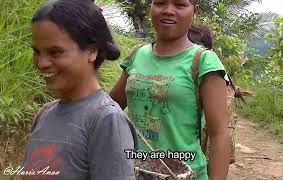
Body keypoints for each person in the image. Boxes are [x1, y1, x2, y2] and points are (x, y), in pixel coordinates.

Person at [110, 0, 230, 179]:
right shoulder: (137, 55)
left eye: (180, 5)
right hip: (134, 171)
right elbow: (110, 106)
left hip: (185, 174)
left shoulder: (204, 62)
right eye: (160, 3)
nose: (168, 11)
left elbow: (219, 134)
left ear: (194, 11)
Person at [22, 0, 138, 179]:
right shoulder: (44, 114)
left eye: (55, 52)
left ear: (92, 51)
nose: (42, 63)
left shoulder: (106, 120)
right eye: (37, 51)